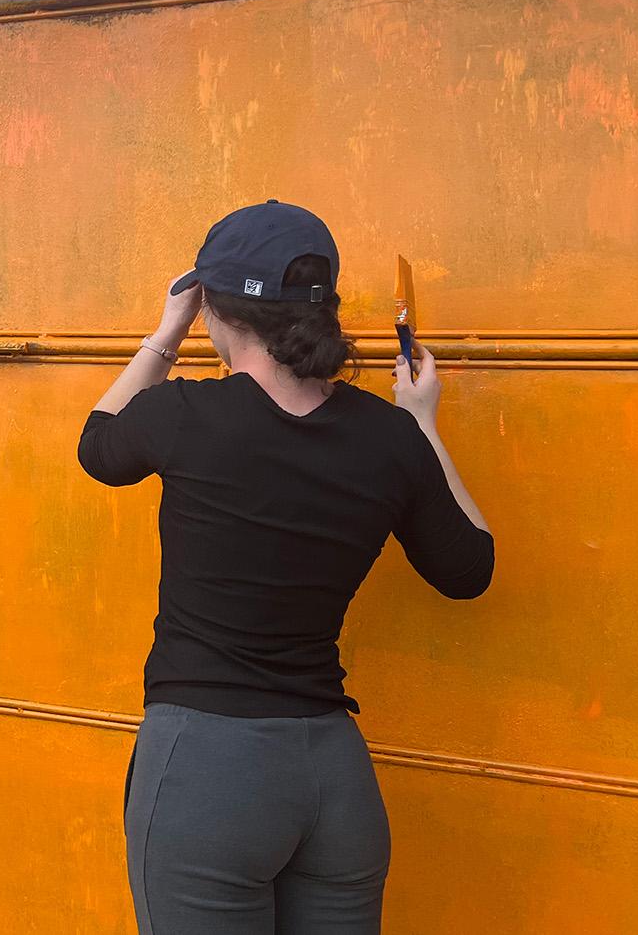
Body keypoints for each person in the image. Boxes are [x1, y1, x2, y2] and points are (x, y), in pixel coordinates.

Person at [76, 201, 493, 934]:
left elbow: (97, 445)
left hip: (208, 775)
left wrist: (165, 334)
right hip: (335, 780)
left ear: (214, 307)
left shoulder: (183, 415)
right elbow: (470, 568)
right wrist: (423, 424)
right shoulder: (387, 437)